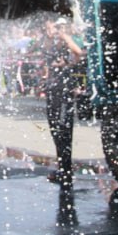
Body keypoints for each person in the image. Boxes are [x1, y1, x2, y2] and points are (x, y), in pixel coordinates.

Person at [40, 17, 87, 189]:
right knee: (55, 129)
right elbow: (46, 54)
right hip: (53, 89)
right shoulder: (51, 42)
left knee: (64, 129)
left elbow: (79, 53)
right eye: (47, 29)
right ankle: (63, 167)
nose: (50, 31)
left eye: (52, 28)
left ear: (61, 28)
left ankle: (66, 170)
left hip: (65, 89)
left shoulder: (67, 39)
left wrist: (67, 61)